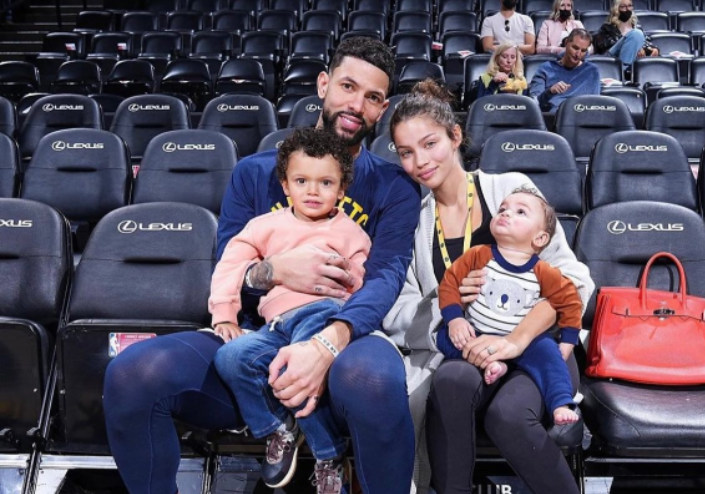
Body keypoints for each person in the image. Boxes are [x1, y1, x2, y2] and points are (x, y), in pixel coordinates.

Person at [103, 36, 421, 494]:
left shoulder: (393, 186)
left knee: (372, 378)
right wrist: (274, 272)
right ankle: (272, 429)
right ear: (323, 84)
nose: (356, 105)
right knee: (132, 373)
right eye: (348, 87)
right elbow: (230, 259)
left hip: (346, 336)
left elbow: (385, 276)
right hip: (257, 334)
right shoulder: (254, 172)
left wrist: (327, 345)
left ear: (382, 108)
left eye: (372, 98)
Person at [383, 79, 594, 494]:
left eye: (429, 144)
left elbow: (574, 280)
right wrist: (449, 307)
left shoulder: (510, 189)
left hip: (535, 345)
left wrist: (515, 340)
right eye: (406, 153)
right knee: (451, 383)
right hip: (465, 352)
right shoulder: (412, 219)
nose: (419, 161)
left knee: (508, 416)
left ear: (455, 136)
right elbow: (397, 312)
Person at [210, 127, 371, 490]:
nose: (313, 191)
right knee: (231, 358)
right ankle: (276, 430)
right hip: (275, 325)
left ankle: (329, 456)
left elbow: (359, 287)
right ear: (285, 185)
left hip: (321, 316)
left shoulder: (352, 234)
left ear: (342, 190)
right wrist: (224, 312)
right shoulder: (263, 226)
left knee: (294, 370)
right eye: (302, 180)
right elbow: (230, 265)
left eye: (325, 183)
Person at [437, 188, 582, 426]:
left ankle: (560, 402)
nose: (506, 213)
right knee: (446, 337)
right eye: (503, 209)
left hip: (522, 342)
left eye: (520, 212)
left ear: (540, 238)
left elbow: (570, 301)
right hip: (478, 333)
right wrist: (455, 319)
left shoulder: (544, 271)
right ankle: (491, 364)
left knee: (550, 356)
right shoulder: (478, 254)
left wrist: (567, 342)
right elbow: (450, 283)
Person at [529, 28, 601, 113]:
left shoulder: (592, 71)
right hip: (552, 119)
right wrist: (550, 91)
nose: (578, 54)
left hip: (581, 119)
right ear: (566, 42)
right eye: (575, 48)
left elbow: (594, 105)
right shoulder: (546, 69)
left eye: (583, 50)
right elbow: (534, 103)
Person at [594, 0, 659, 66]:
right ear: (616, 9)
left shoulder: (637, 27)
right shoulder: (606, 28)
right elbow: (604, 47)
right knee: (636, 34)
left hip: (633, 61)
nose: (627, 9)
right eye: (623, 6)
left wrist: (653, 49)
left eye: (630, 6)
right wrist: (636, 48)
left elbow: (647, 43)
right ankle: (623, 70)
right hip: (612, 59)